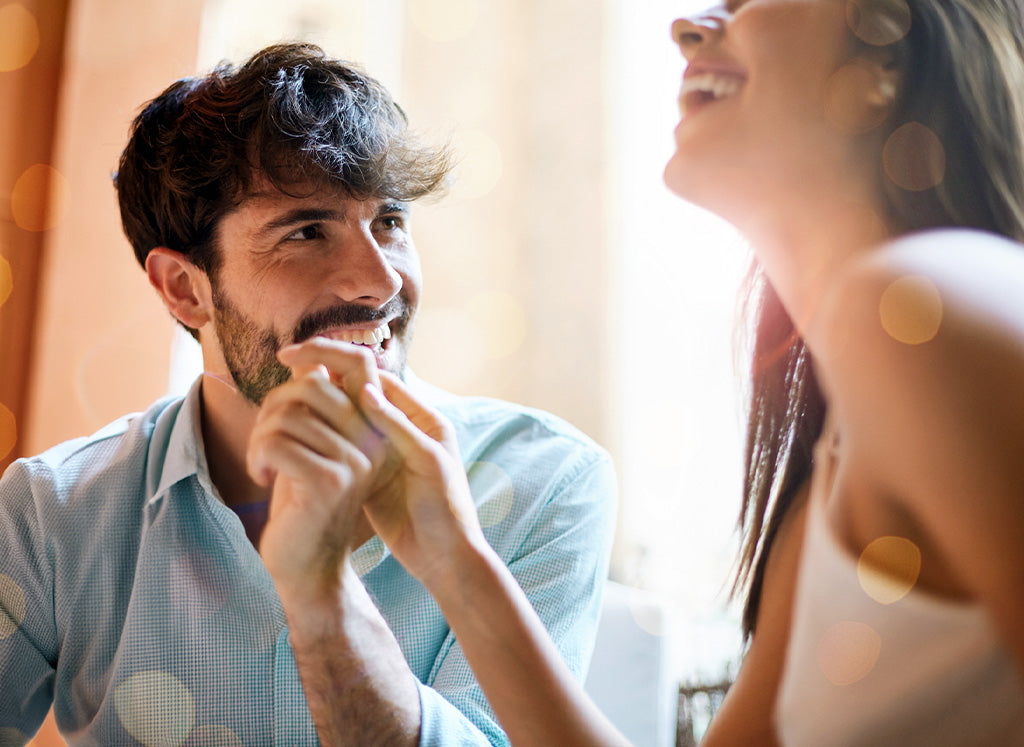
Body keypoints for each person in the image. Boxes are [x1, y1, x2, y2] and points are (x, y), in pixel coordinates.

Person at [338, 1, 1024, 745]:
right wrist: (454, 559)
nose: (688, 26)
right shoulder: (836, 460)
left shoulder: (923, 312)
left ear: (891, 51)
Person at [0, 43, 616, 746]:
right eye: (306, 231)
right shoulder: (52, 515)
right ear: (185, 288)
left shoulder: (547, 481)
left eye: (389, 221)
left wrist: (322, 597)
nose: (380, 283)